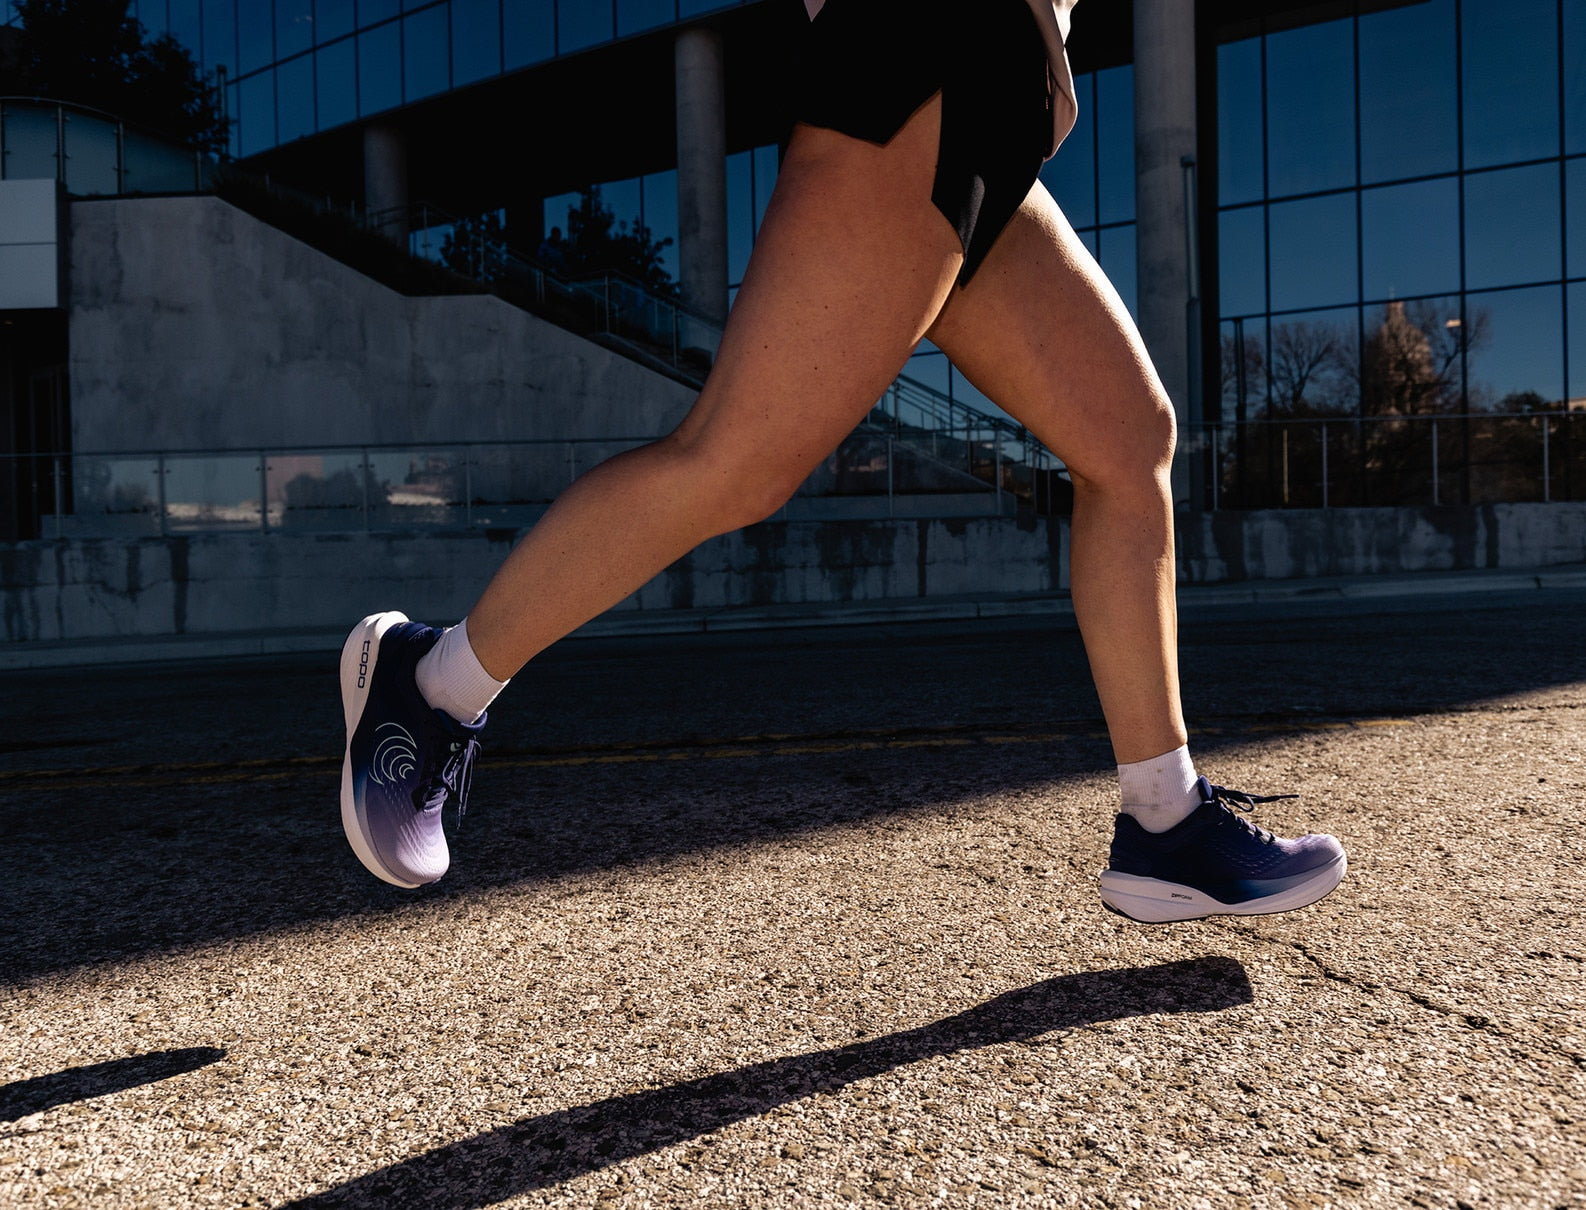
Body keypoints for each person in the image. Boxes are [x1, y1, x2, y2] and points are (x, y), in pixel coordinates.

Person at [338, 0, 1346, 924]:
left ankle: (1164, 819)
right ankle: (430, 684)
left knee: (1130, 443)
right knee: (734, 461)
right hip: (927, 40)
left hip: (1003, 96)